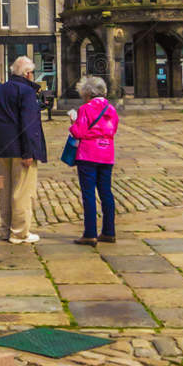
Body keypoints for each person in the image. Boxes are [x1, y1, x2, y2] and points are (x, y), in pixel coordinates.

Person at [0, 55, 47, 245]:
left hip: (3, 148)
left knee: (5, 192)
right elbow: (29, 125)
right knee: (22, 191)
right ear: (28, 74)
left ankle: (6, 229)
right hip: (21, 149)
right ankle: (19, 232)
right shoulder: (26, 92)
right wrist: (29, 152)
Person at [68, 75, 119, 245]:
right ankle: (109, 231)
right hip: (107, 154)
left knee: (89, 193)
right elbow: (113, 130)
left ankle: (90, 233)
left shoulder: (85, 109)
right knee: (106, 192)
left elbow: (79, 132)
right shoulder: (111, 109)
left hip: (88, 154)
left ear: (88, 93)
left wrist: (72, 122)